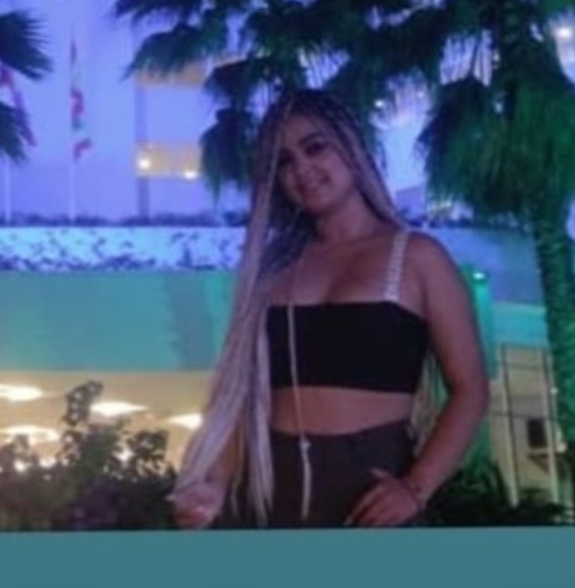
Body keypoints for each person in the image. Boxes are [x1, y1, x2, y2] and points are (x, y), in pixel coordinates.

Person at [171, 88, 489, 529]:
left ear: (351, 148)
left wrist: (417, 487)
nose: (301, 169)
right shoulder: (273, 267)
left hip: (369, 492)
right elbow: (242, 396)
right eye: (284, 162)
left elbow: (470, 389)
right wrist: (215, 483)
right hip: (269, 489)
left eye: (315, 147)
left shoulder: (418, 257)